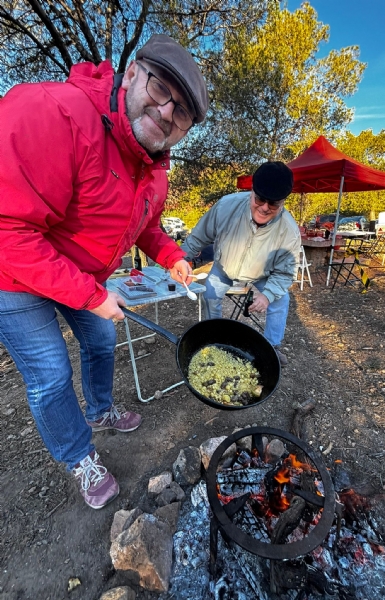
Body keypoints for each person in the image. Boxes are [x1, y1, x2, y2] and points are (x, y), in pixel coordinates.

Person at [0, 34, 208, 509]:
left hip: (77, 275)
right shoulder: (53, 112)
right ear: (131, 74)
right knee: (51, 373)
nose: (166, 112)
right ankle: (79, 456)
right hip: (11, 275)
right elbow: (6, 232)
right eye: (160, 89)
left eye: (182, 114)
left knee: (101, 340)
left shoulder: (154, 168)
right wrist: (92, 295)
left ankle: (99, 410)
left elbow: (145, 227)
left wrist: (172, 255)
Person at [181, 161, 301, 366]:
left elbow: (285, 272)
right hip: (224, 267)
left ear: (282, 202)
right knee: (210, 293)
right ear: (252, 191)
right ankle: (214, 337)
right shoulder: (227, 206)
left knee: (281, 300)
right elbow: (199, 236)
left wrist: (268, 295)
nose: (264, 208)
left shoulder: (289, 231)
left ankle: (272, 347)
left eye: (272, 204)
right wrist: (181, 258)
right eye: (260, 199)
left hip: (262, 273)